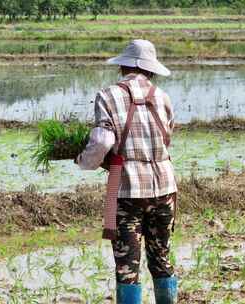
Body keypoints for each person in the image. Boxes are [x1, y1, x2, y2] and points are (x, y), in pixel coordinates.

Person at [76, 39, 178, 304]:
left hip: (127, 191)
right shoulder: (162, 97)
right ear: (150, 70)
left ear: (123, 67)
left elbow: (102, 142)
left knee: (127, 268)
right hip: (165, 190)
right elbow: (167, 137)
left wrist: (84, 161)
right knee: (161, 259)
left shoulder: (108, 96)